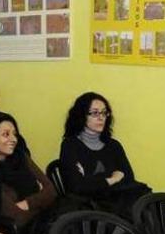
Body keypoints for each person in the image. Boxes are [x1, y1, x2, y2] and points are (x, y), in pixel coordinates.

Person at [59, 92, 150, 220]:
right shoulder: (70, 145)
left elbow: (128, 178)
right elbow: (76, 187)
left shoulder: (114, 145)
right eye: (95, 113)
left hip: (117, 202)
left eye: (104, 112)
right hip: (88, 208)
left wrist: (91, 180)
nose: (101, 118)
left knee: (156, 212)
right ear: (81, 116)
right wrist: (111, 179)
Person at [0, 114, 56, 233]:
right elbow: (15, 218)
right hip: (18, 233)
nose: (13, 139)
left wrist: (27, 203)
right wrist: (41, 199)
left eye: (14, 134)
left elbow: (51, 190)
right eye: (6, 134)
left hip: (44, 221)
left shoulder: (20, 156)